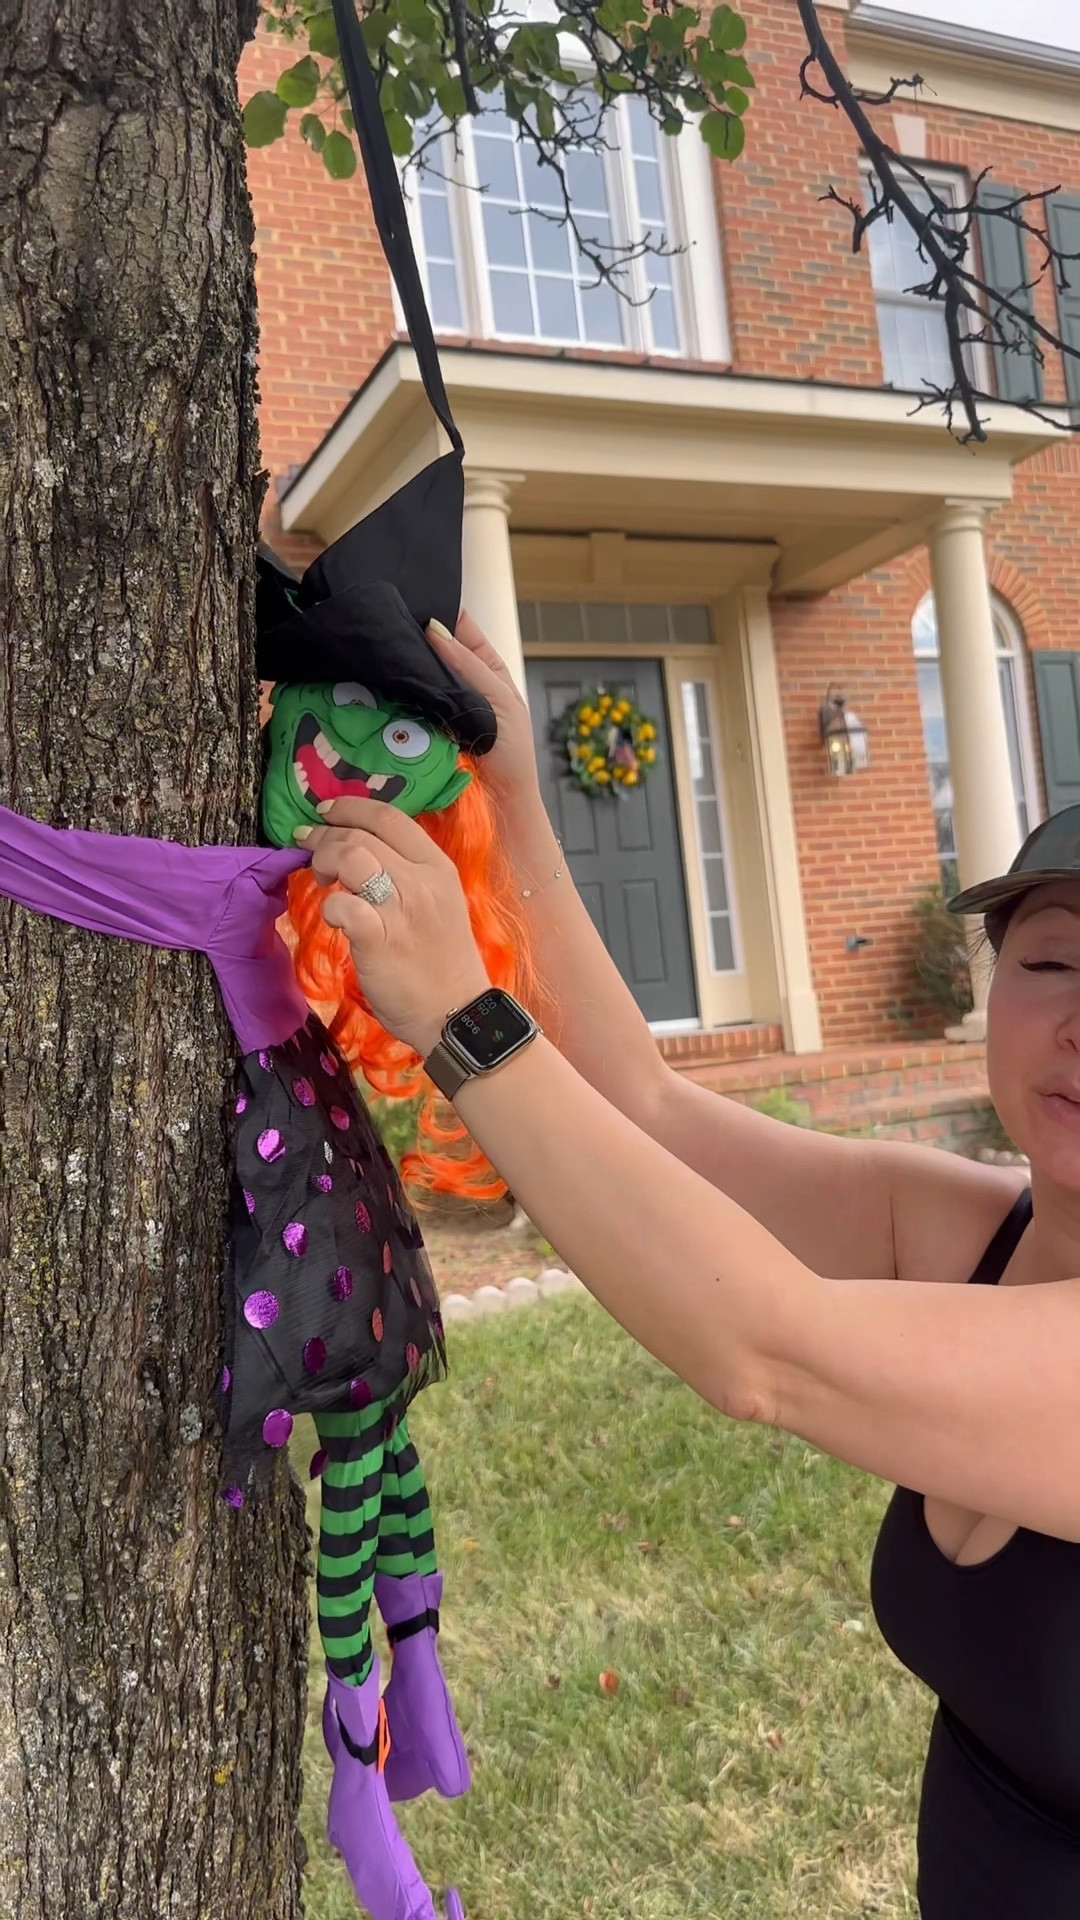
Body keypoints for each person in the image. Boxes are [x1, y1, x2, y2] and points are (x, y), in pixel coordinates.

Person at [295, 611, 1080, 1919]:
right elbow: (649, 1110)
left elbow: (769, 1351)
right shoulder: (987, 1233)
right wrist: (516, 801)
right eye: (1055, 962)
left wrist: (454, 1018)